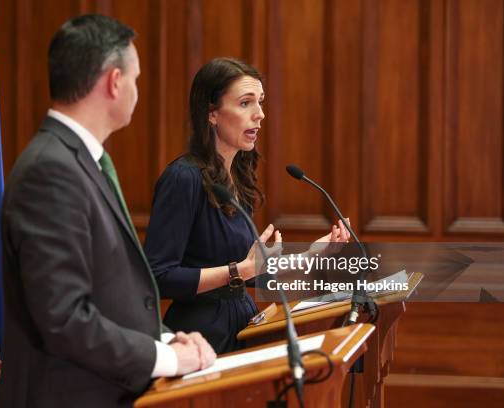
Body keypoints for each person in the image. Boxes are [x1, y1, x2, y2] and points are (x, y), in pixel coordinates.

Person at [0, 14, 215, 408]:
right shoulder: (51, 171)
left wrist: (168, 339)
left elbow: (109, 291)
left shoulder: (81, 161)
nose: (136, 90)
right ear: (114, 82)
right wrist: (167, 358)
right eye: (135, 79)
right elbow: (64, 317)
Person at [144, 57, 350, 354]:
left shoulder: (236, 179)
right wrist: (238, 270)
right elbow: (158, 277)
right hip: (200, 340)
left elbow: (252, 271)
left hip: (242, 323)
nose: (260, 115)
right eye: (245, 103)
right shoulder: (183, 178)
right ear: (212, 113)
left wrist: (310, 256)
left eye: (260, 102)